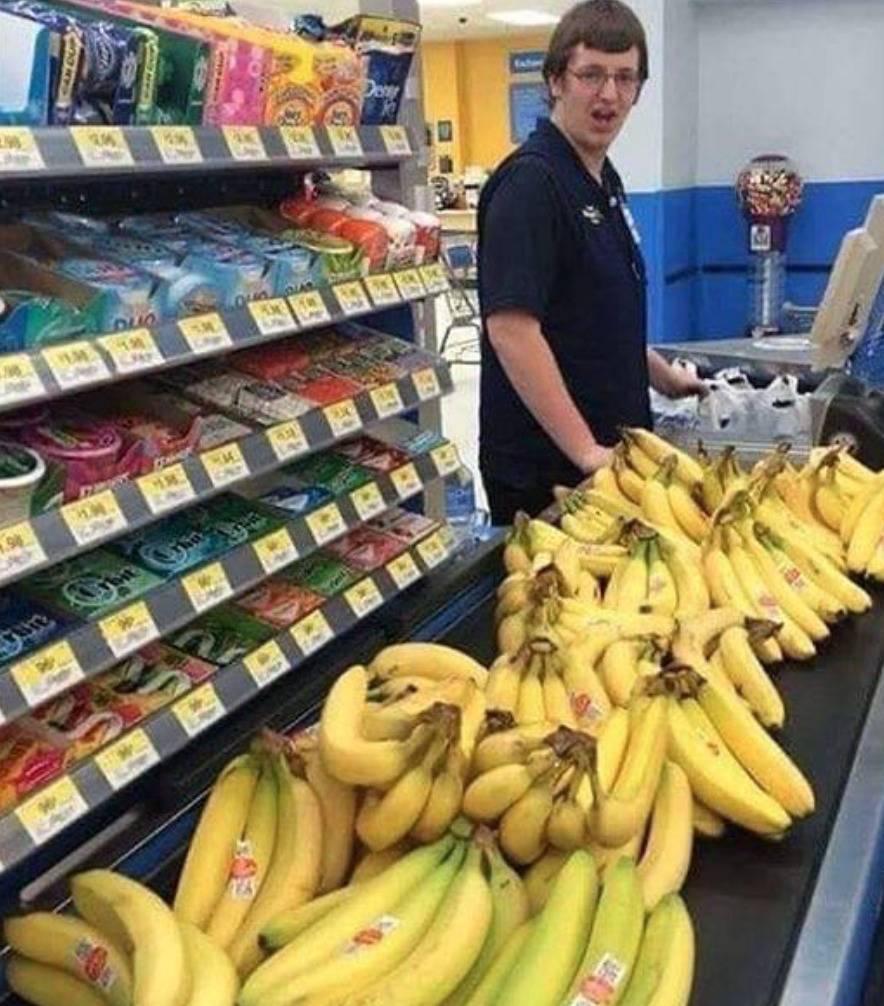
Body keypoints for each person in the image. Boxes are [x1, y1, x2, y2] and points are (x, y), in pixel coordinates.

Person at [478, 0, 706, 525]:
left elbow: (595, 308)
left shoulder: (602, 178)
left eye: (625, 78)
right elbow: (513, 331)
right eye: (591, 75)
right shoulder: (531, 185)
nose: (609, 95)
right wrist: (586, 452)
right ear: (556, 80)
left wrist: (661, 375)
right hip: (553, 473)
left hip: (609, 457)